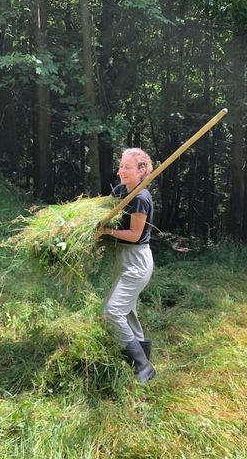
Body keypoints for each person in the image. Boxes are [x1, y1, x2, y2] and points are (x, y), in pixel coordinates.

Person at [97, 147, 156, 384]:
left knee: (112, 311)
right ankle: (141, 361)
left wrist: (106, 232)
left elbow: (133, 234)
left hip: (136, 261)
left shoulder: (141, 198)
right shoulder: (122, 190)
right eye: (121, 165)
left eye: (127, 167)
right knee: (127, 312)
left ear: (141, 171)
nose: (121, 170)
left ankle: (143, 367)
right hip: (123, 258)